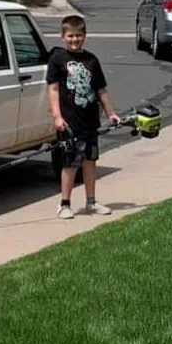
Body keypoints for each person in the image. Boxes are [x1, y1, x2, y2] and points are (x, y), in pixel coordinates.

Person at [46, 14, 122, 218]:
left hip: (90, 121)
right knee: (70, 163)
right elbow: (53, 89)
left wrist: (111, 113)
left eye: (78, 35)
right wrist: (57, 117)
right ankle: (64, 204)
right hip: (69, 122)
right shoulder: (57, 59)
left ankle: (91, 202)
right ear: (62, 36)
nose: (75, 40)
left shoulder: (91, 60)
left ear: (85, 35)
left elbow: (101, 90)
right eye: (70, 36)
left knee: (90, 161)